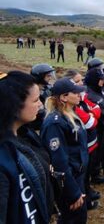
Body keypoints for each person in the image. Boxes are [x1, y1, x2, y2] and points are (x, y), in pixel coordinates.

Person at [0, 71, 50, 223]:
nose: (41, 104)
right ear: (15, 107)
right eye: (35, 100)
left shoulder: (25, 135)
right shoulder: (4, 159)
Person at [41, 77, 88, 223]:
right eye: (75, 92)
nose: (80, 95)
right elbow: (59, 162)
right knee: (74, 218)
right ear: (64, 97)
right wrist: (73, 192)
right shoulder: (55, 123)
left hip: (77, 176)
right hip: (69, 181)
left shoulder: (70, 113)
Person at [65, 70, 101, 210]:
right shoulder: (72, 107)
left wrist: (91, 114)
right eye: (78, 81)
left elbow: (96, 108)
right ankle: (86, 202)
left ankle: (88, 195)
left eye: (82, 80)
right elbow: (91, 123)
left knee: (87, 176)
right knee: (83, 177)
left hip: (91, 143)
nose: (82, 83)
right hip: (84, 148)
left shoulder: (82, 98)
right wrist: (92, 115)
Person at [85, 68, 104, 182]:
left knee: (103, 150)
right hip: (98, 128)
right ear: (94, 80)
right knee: (96, 154)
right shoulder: (89, 94)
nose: (103, 81)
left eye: (103, 79)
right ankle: (95, 176)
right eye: (100, 79)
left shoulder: (100, 90)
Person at [30, 63, 56, 129]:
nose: (50, 78)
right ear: (40, 77)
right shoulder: (30, 92)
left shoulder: (47, 89)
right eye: (48, 76)